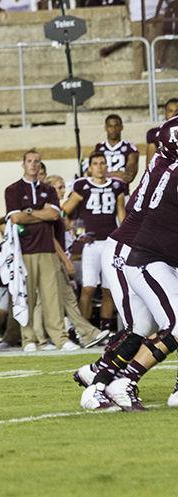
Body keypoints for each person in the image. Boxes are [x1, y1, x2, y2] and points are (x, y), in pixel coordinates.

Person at [76, 118, 175, 411]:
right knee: (141, 324)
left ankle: (98, 373)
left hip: (142, 246)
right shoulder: (169, 170)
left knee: (153, 323)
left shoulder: (162, 162)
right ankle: (97, 384)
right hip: (129, 248)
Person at [4, 150, 75, 351]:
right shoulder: (13, 190)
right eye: (29, 161)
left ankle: (61, 338)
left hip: (47, 249)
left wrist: (29, 212)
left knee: (52, 297)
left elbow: (54, 215)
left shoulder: (49, 190)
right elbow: (15, 218)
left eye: (37, 161)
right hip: (24, 251)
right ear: (23, 164)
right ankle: (29, 339)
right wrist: (39, 213)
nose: (33, 165)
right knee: (27, 297)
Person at [61, 151, 126, 336]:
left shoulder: (116, 186)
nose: (99, 166)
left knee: (108, 289)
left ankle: (105, 330)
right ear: (89, 168)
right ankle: (85, 330)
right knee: (88, 288)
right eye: (95, 163)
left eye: (102, 163)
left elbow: (121, 214)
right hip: (91, 245)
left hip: (110, 243)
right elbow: (64, 210)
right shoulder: (82, 186)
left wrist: (125, 238)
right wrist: (72, 231)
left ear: (107, 166)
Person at [46, 174, 103, 348]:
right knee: (51, 299)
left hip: (64, 258)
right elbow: (50, 238)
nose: (64, 191)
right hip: (54, 258)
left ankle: (83, 333)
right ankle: (45, 336)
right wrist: (66, 260)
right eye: (59, 187)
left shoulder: (62, 211)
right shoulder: (51, 210)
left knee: (67, 297)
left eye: (64, 186)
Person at [93, 114, 140, 185]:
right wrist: (118, 174)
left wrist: (103, 174)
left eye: (116, 126)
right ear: (105, 128)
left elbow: (129, 176)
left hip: (122, 193)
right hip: (102, 192)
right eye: (110, 126)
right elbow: (90, 173)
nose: (113, 129)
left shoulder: (130, 148)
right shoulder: (99, 148)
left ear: (121, 127)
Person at [145, 98, 178, 165]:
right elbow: (150, 163)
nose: (174, 114)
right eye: (171, 111)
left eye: (177, 111)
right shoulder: (154, 133)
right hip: (166, 170)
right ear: (165, 112)